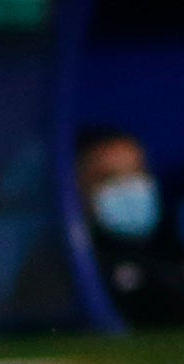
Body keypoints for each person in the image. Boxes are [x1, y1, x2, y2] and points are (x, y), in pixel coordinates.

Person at [76, 126, 182, 327]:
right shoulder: (67, 266)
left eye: (137, 172)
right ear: (77, 188)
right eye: (109, 177)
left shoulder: (171, 246)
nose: (129, 187)